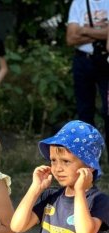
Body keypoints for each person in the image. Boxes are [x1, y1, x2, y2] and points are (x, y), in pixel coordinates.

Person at [66, 0, 109, 155]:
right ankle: (88, 157)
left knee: (108, 109)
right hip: (83, 61)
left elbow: (77, 33)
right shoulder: (78, 3)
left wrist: (83, 30)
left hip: (106, 61)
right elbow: (71, 38)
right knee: (84, 111)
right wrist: (103, 33)